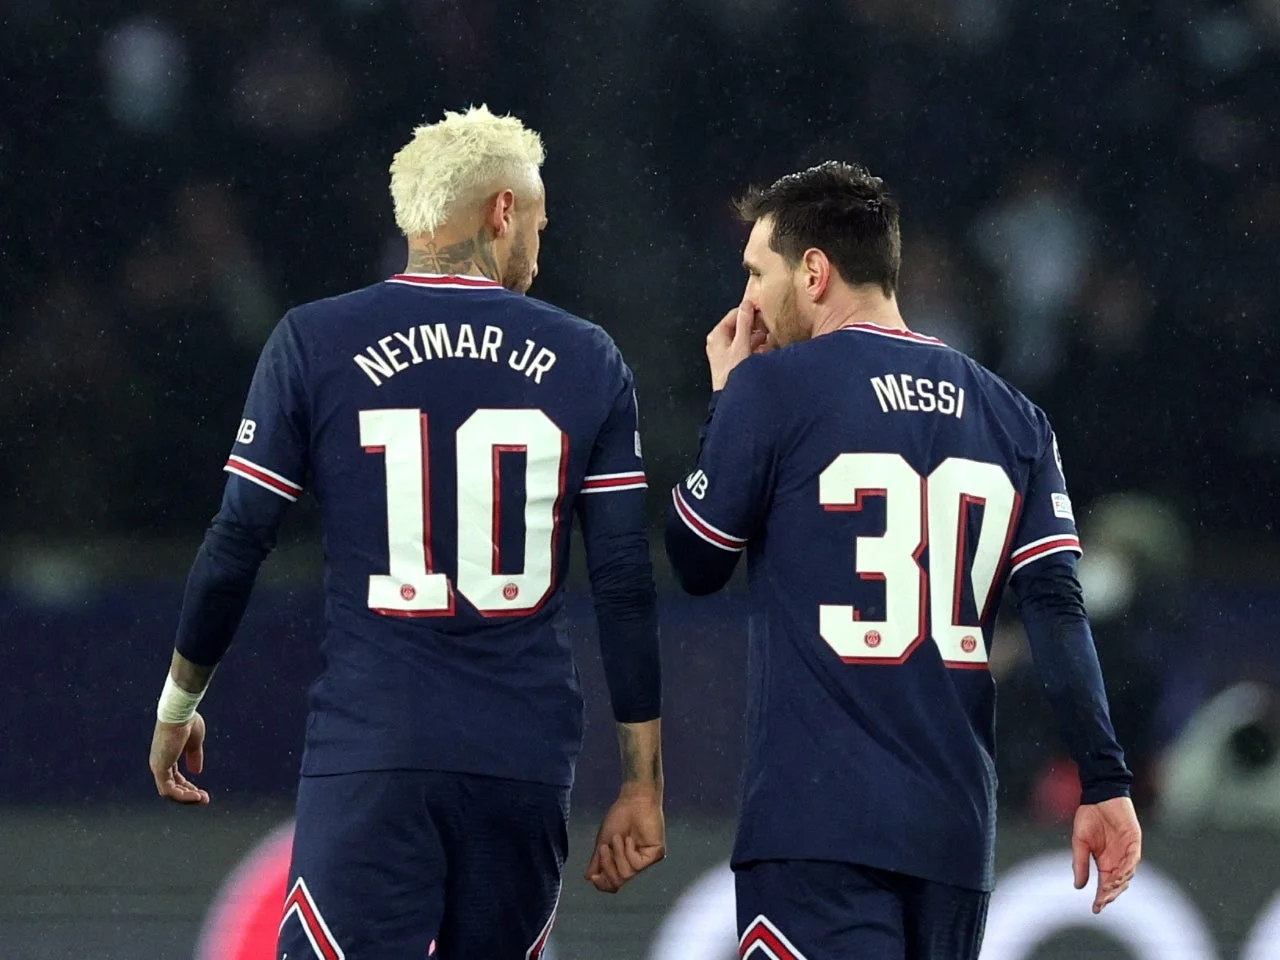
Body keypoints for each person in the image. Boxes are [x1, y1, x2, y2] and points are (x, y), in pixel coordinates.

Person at [146, 105, 666, 959]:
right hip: (521, 755)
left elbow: (238, 540)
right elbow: (623, 584)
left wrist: (180, 702)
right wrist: (643, 784)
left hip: (375, 742)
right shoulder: (587, 358)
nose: (540, 244)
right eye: (538, 221)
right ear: (502, 210)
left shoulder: (314, 340)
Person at [664, 162, 1141, 959]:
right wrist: (1105, 780)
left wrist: (726, 399)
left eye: (756, 272)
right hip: (952, 837)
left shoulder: (774, 389)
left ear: (814, 272)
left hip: (817, 827)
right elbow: (1057, 610)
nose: (747, 299)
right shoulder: (1014, 416)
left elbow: (697, 559)